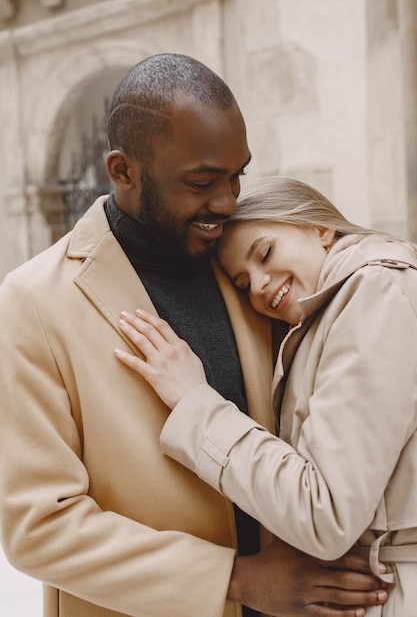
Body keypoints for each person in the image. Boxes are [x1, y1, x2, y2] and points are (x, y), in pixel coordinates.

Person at [0, 56, 388, 617]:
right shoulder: (33, 300)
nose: (228, 202)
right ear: (123, 170)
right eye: (203, 182)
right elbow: (40, 526)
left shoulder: (252, 273)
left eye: (238, 176)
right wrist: (237, 580)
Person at [113, 176, 417, 616]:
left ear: (319, 227)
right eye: (242, 282)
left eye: (265, 253)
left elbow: (324, 512)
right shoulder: (328, 316)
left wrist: (195, 403)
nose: (257, 285)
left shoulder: (376, 293)